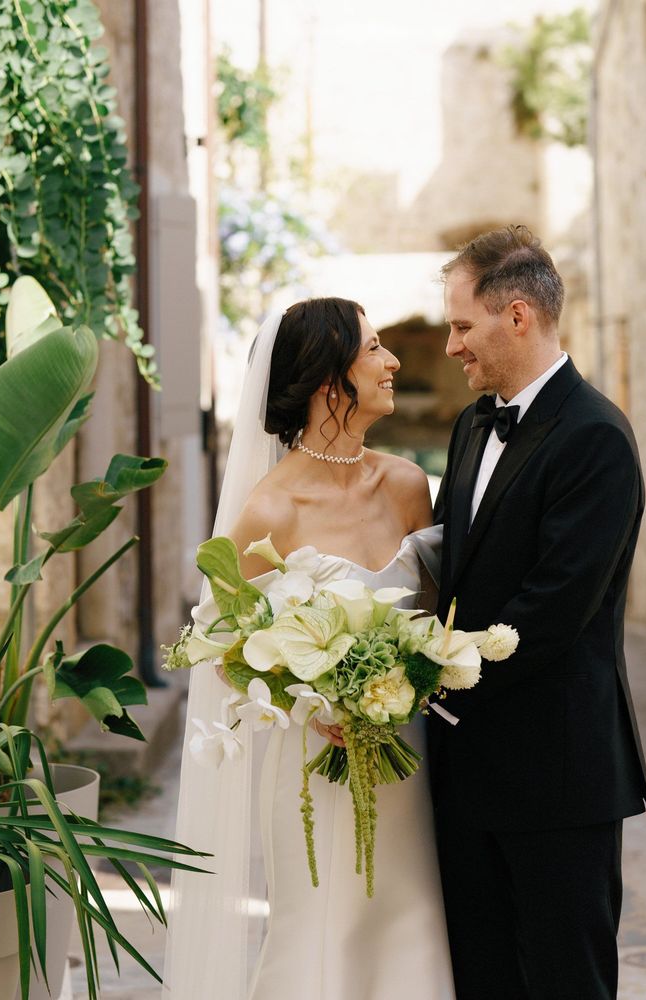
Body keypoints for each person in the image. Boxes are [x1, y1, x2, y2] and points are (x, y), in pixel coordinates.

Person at [164, 298, 456, 1000]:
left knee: (414, 923)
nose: (393, 363)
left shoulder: (409, 485)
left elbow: (443, 613)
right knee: (325, 932)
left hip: (411, 758)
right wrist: (311, 698)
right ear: (332, 382)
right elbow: (225, 644)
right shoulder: (271, 510)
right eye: (375, 349)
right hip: (317, 768)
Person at [428, 225, 646, 1000]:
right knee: (482, 980)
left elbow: (552, 610)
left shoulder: (596, 437)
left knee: (567, 984)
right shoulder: (469, 427)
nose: (453, 345)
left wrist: (422, 669)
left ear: (516, 316)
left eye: (462, 325)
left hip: (558, 775)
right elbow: (454, 573)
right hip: (464, 774)